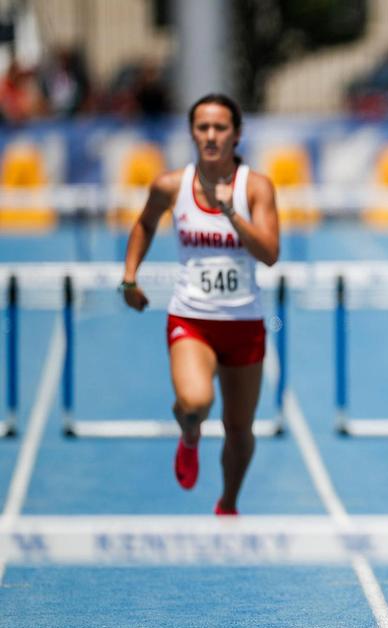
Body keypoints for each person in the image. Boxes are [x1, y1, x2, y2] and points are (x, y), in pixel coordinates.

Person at [120, 94, 279, 515]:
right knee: (194, 403)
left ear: (237, 134)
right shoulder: (171, 185)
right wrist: (129, 277)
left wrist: (230, 210)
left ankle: (228, 503)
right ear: (192, 133)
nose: (211, 136)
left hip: (245, 322)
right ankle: (189, 436)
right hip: (192, 317)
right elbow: (144, 224)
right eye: (203, 127)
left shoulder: (256, 187)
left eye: (220, 128)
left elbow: (269, 252)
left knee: (239, 429)